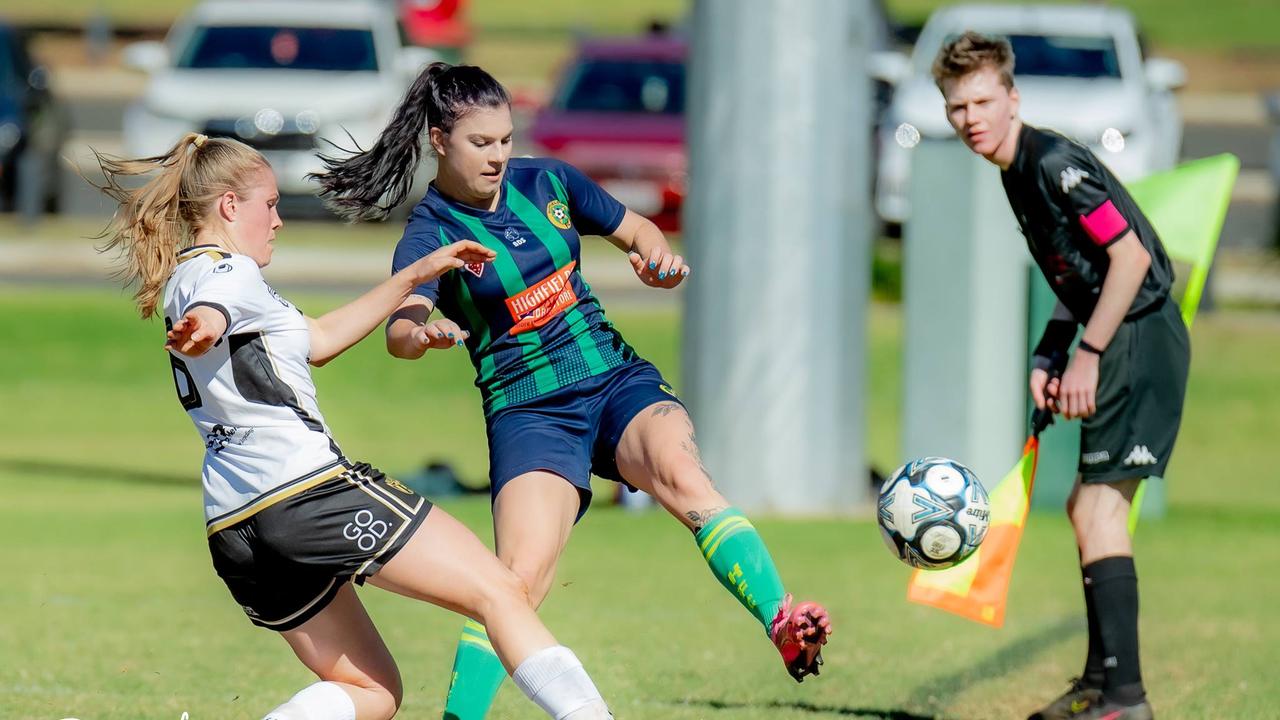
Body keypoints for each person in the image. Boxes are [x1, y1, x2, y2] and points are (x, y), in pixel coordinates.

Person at [311, 63, 833, 719]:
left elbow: (637, 228)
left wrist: (654, 257)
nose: (500, 155)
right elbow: (400, 327)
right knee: (513, 583)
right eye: (482, 144)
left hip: (615, 379)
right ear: (440, 141)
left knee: (684, 477)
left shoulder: (549, 180)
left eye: (505, 139)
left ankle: (781, 623)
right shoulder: (432, 232)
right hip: (530, 413)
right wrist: (426, 332)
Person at [90, 132, 616, 720]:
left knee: (375, 693)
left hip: (236, 526)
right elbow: (220, 302)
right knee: (501, 591)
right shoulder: (225, 275)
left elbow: (319, 340)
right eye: (270, 204)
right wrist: (208, 323)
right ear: (230, 207)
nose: (279, 220)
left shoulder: (192, 274)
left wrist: (416, 274)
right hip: (306, 493)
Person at [932, 32, 1190, 720]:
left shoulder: (1054, 164)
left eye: (983, 101)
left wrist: (1088, 354)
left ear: (1013, 98)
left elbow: (1129, 260)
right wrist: (1051, 349)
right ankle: (1100, 684)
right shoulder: (1015, 171)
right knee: (1086, 507)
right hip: (1121, 331)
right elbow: (1077, 269)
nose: (970, 119)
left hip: (1141, 333)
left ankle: (1125, 699)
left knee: (1100, 509)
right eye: (957, 108)